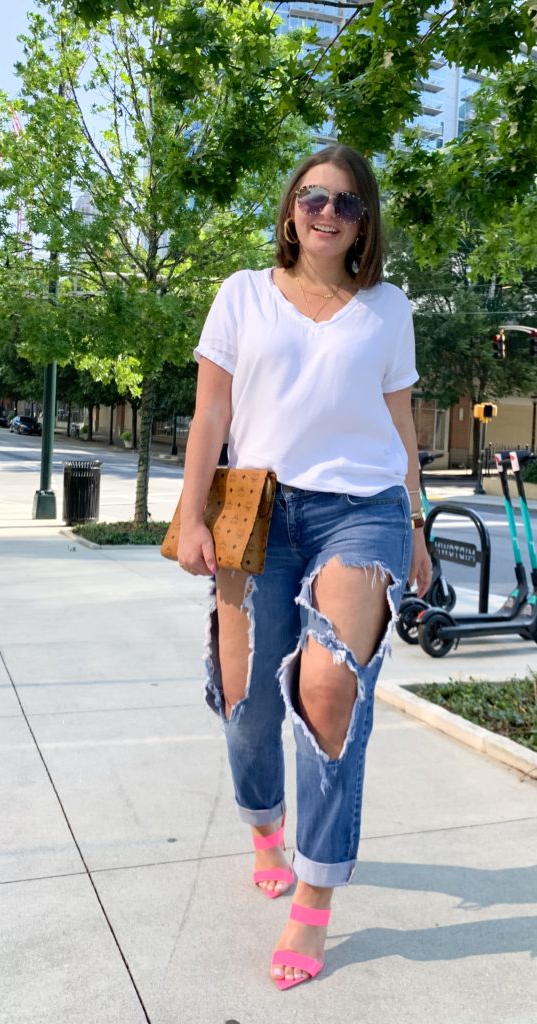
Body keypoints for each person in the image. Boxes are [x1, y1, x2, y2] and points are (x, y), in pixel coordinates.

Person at [177, 143, 432, 990]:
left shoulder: (388, 309)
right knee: (248, 697)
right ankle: (265, 823)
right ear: (291, 208)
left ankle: (316, 895)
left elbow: (401, 430)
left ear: (365, 224)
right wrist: (189, 512)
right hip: (257, 505)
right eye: (313, 196)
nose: (327, 211)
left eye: (347, 203)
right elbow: (213, 409)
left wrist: (419, 527)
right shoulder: (242, 294)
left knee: (327, 688)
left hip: (362, 512)